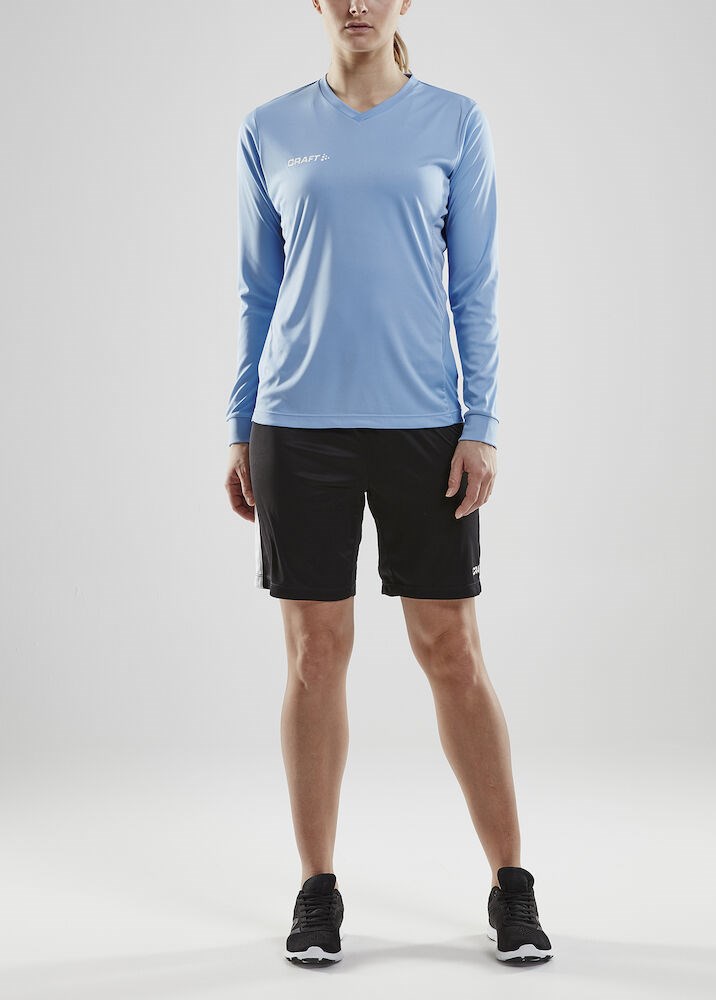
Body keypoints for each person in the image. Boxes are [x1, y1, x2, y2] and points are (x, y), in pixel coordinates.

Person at [224, 0, 553, 967]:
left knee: (450, 648)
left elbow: (475, 286)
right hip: (297, 426)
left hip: (424, 427)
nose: (358, 4)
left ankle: (512, 883)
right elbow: (257, 291)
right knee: (314, 658)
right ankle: (316, 888)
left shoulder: (454, 121)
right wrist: (240, 424)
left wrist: (482, 424)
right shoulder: (269, 128)